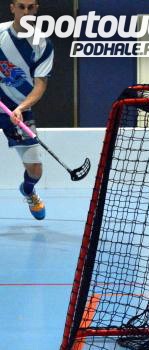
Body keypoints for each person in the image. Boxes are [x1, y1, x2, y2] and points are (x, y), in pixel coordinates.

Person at [0, 0, 52, 221]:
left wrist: (21, 108)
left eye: (30, 7)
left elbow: (40, 85)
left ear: (36, 9)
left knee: (35, 170)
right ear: (12, 8)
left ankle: (28, 191)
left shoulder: (42, 44)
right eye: (21, 6)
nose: (26, 11)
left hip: (18, 109)